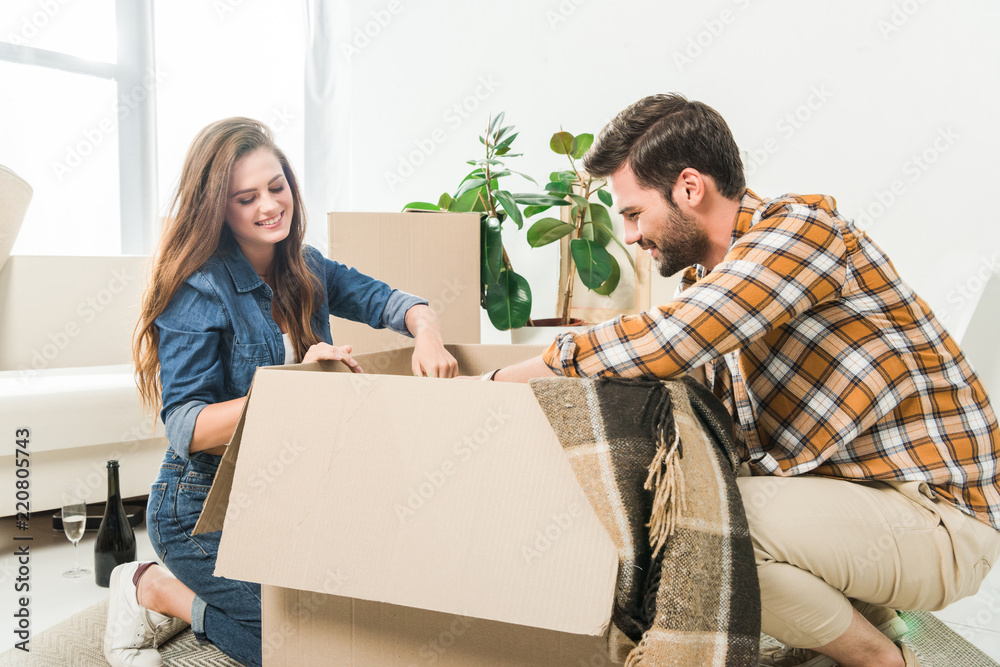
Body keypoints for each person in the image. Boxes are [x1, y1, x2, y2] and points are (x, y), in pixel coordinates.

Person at [487, 94, 1000, 667]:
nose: (630, 236)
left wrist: (508, 378)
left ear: (688, 187)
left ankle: (880, 659)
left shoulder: (803, 232)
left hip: (940, 520)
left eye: (633, 213)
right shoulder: (713, 283)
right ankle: (868, 628)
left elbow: (670, 339)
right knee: (682, 508)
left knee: (709, 524)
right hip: (864, 506)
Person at [104, 117, 457, 667]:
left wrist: (428, 337)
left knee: (364, 622)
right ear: (217, 207)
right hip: (199, 509)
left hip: (290, 492)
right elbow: (186, 427)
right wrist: (296, 386)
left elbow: (395, 301)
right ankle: (156, 589)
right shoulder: (198, 288)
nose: (270, 207)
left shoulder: (306, 265)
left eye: (277, 187)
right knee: (300, 650)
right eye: (246, 198)